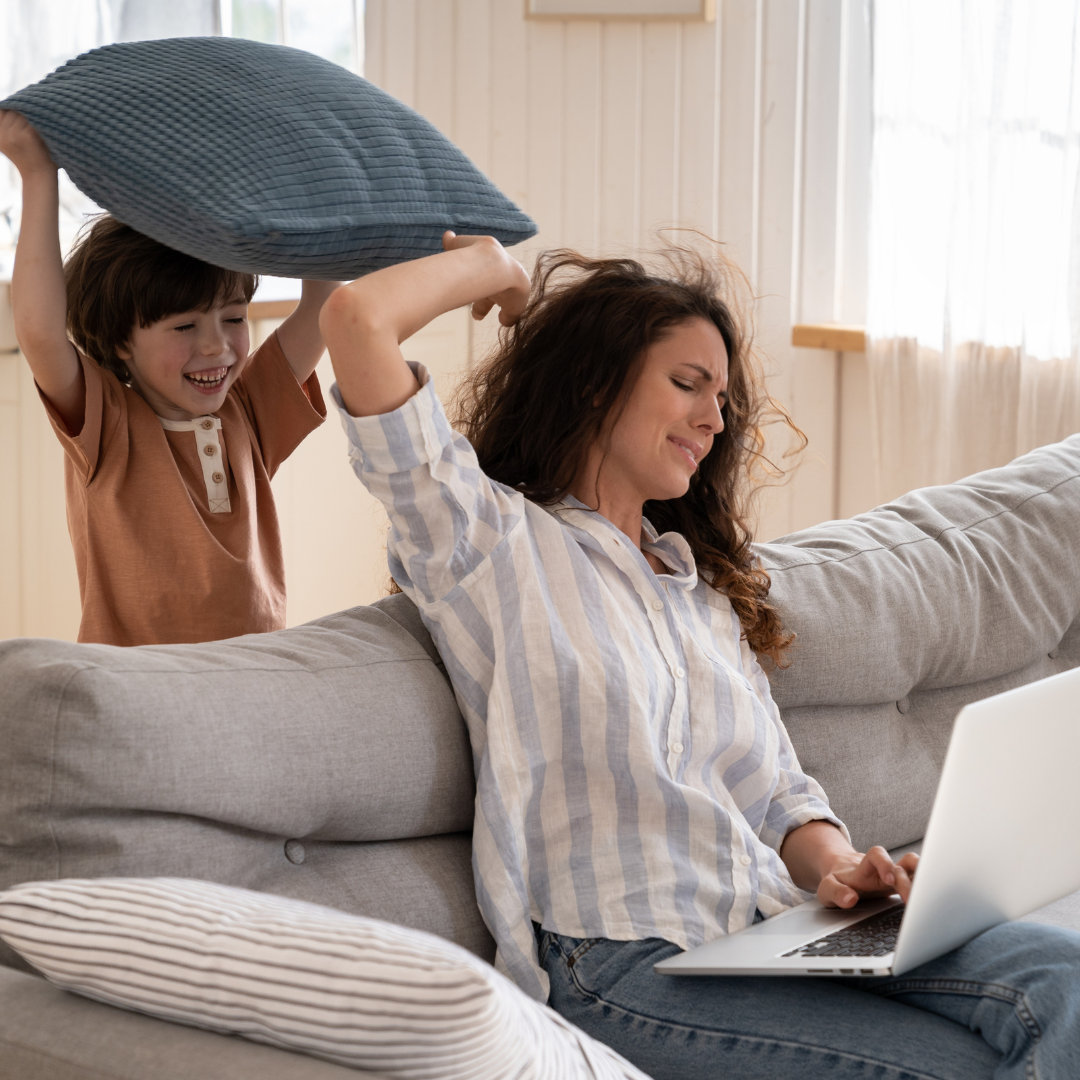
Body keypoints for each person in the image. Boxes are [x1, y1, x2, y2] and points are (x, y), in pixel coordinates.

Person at [320, 230, 1080, 1079]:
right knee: (956, 1066)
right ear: (593, 384)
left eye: (721, 397)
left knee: (1064, 975)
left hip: (773, 928)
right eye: (688, 385)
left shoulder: (700, 593)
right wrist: (497, 268)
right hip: (619, 962)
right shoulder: (487, 544)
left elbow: (780, 794)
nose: (715, 419)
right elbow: (356, 318)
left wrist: (841, 871)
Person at [0, 110, 335, 645]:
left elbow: (325, 302)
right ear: (120, 343)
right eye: (184, 325)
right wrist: (38, 176)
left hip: (249, 683)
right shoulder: (106, 425)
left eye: (233, 318)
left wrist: (307, 187)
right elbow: (41, 333)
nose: (216, 346)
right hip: (138, 692)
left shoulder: (247, 414)